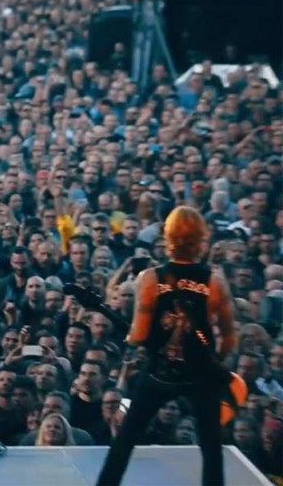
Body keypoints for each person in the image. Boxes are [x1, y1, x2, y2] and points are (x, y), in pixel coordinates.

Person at [96, 206, 237, 486]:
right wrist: (215, 360)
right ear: (201, 238)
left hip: (158, 373)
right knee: (211, 447)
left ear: (168, 237)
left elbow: (138, 335)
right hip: (201, 373)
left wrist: (133, 338)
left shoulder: (150, 279)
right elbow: (230, 337)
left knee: (126, 439)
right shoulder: (214, 281)